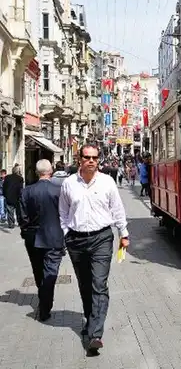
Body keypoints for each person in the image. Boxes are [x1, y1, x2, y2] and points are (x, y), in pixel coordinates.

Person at [59, 144, 129, 354]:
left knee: (99, 284)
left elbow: (117, 209)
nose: (91, 161)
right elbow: (63, 211)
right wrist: (66, 233)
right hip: (77, 240)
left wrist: (123, 233)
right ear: (79, 158)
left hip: (101, 239)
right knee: (85, 285)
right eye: (87, 157)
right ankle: (90, 321)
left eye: (94, 157)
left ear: (98, 160)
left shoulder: (107, 182)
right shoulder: (69, 184)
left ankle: (95, 334)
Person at [18, 159, 65, 321]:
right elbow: (64, 215)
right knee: (50, 273)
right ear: (50, 171)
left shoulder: (27, 191)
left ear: (37, 173)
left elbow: (22, 217)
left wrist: (26, 230)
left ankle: (43, 299)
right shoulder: (59, 190)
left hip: (33, 237)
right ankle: (45, 306)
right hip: (54, 236)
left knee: (38, 271)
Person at [3, 164, 24, 228]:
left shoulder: (7, 177)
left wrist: (5, 195)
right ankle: (19, 222)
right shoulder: (20, 178)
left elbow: (4, 187)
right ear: (18, 172)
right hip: (17, 196)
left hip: (9, 196)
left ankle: (11, 223)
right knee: (18, 210)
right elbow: (21, 188)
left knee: (10, 210)